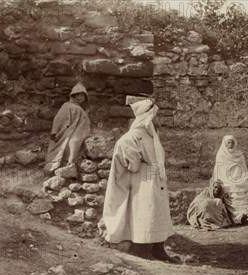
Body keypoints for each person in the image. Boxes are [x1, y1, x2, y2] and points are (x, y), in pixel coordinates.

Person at [102, 96, 178, 263]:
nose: (157, 120)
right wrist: (141, 163)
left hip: (154, 177)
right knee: (145, 213)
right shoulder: (133, 137)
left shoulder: (150, 135)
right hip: (141, 180)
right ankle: (142, 250)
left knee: (158, 212)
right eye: (155, 116)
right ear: (148, 116)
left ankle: (159, 249)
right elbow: (131, 164)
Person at [45, 82, 91, 173]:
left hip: (77, 131)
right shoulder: (66, 106)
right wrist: (55, 131)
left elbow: (84, 123)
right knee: (60, 145)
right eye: (77, 95)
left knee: (74, 142)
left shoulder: (81, 109)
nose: (80, 97)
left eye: (82, 95)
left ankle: (70, 164)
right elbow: (59, 120)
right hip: (64, 131)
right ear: (73, 95)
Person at [212, 135, 248, 224]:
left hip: (239, 178)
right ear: (225, 144)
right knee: (233, 192)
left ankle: (244, 213)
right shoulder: (221, 155)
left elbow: (244, 169)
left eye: (232, 143)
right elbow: (218, 171)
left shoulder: (239, 154)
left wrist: (244, 178)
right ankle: (238, 217)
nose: (230, 145)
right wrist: (222, 180)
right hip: (225, 179)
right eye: (228, 143)